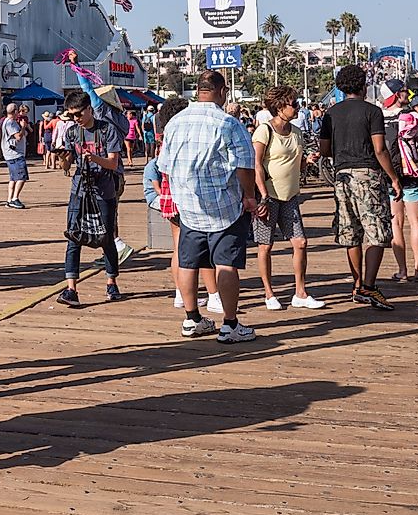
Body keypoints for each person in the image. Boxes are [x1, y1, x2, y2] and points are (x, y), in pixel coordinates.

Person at [158, 70, 257, 342]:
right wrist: (249, 196)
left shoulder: (175, 122)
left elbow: (164, 165)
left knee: (188, 263)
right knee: (226, 264)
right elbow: (244, 165)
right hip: (224, 206)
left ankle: (192, 319)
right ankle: (230, 324)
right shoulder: (228, 123)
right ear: (222, 92)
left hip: (188, 206)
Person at [319, 65, 403, 311]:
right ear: (363, 85)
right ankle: (369, 285)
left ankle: (357, 285)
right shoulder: (372, 111)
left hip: (342, 176)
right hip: (368, 174)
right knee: (377, 232)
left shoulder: (331, 113)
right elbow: (380, 149)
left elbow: (325, 150)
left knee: (350, 232)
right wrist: (394, 178)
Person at [253, 86, 325, 310]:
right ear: (279, 107)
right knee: (266, 245)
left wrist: (309, 161)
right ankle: (269, 293)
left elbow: (297, 163)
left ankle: (300, 293)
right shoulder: (265, 131)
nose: (297, 107)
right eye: (293, 104)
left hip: (291, 195)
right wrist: (262, 196)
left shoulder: (296, 132)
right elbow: (256, 164)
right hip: (269, 196)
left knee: (300, 243)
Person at [148, 98, 222, 313]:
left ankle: (181, 293)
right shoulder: (186, 134)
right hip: (189, 196)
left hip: (169, 195)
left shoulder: (166, 138)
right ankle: (213, 295)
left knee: (178, 246)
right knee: (204, 248)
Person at [57, 87, 125, 306]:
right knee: (73, 237)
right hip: (79, 189)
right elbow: (67, 166)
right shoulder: (71, 133)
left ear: (89, 109)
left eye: (78, 114)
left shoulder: (107, 130)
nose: (75, 119)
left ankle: (111, 282)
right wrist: (64, 158)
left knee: (106, 238)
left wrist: (93, 157)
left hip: (104, 190)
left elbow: (113, 163)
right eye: (71, 115)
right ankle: (71, 289)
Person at [381, 80, 418, 284]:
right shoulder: (413, 117)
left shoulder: (378, 117)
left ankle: (401, 270)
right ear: (398, 95)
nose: (408, 94)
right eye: (405, 91)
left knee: (395, 222)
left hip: (390, 174)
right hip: (412, 173)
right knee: (417, 222)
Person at [1, 103, 28, 208]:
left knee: (13, 178)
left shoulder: (6, 121)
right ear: (15, 111)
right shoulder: (10, 123)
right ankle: (15, 198)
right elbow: (18, 137)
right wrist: (23, 127)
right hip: (15, 154)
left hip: (10, 154)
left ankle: (9, 199)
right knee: (22, 177)